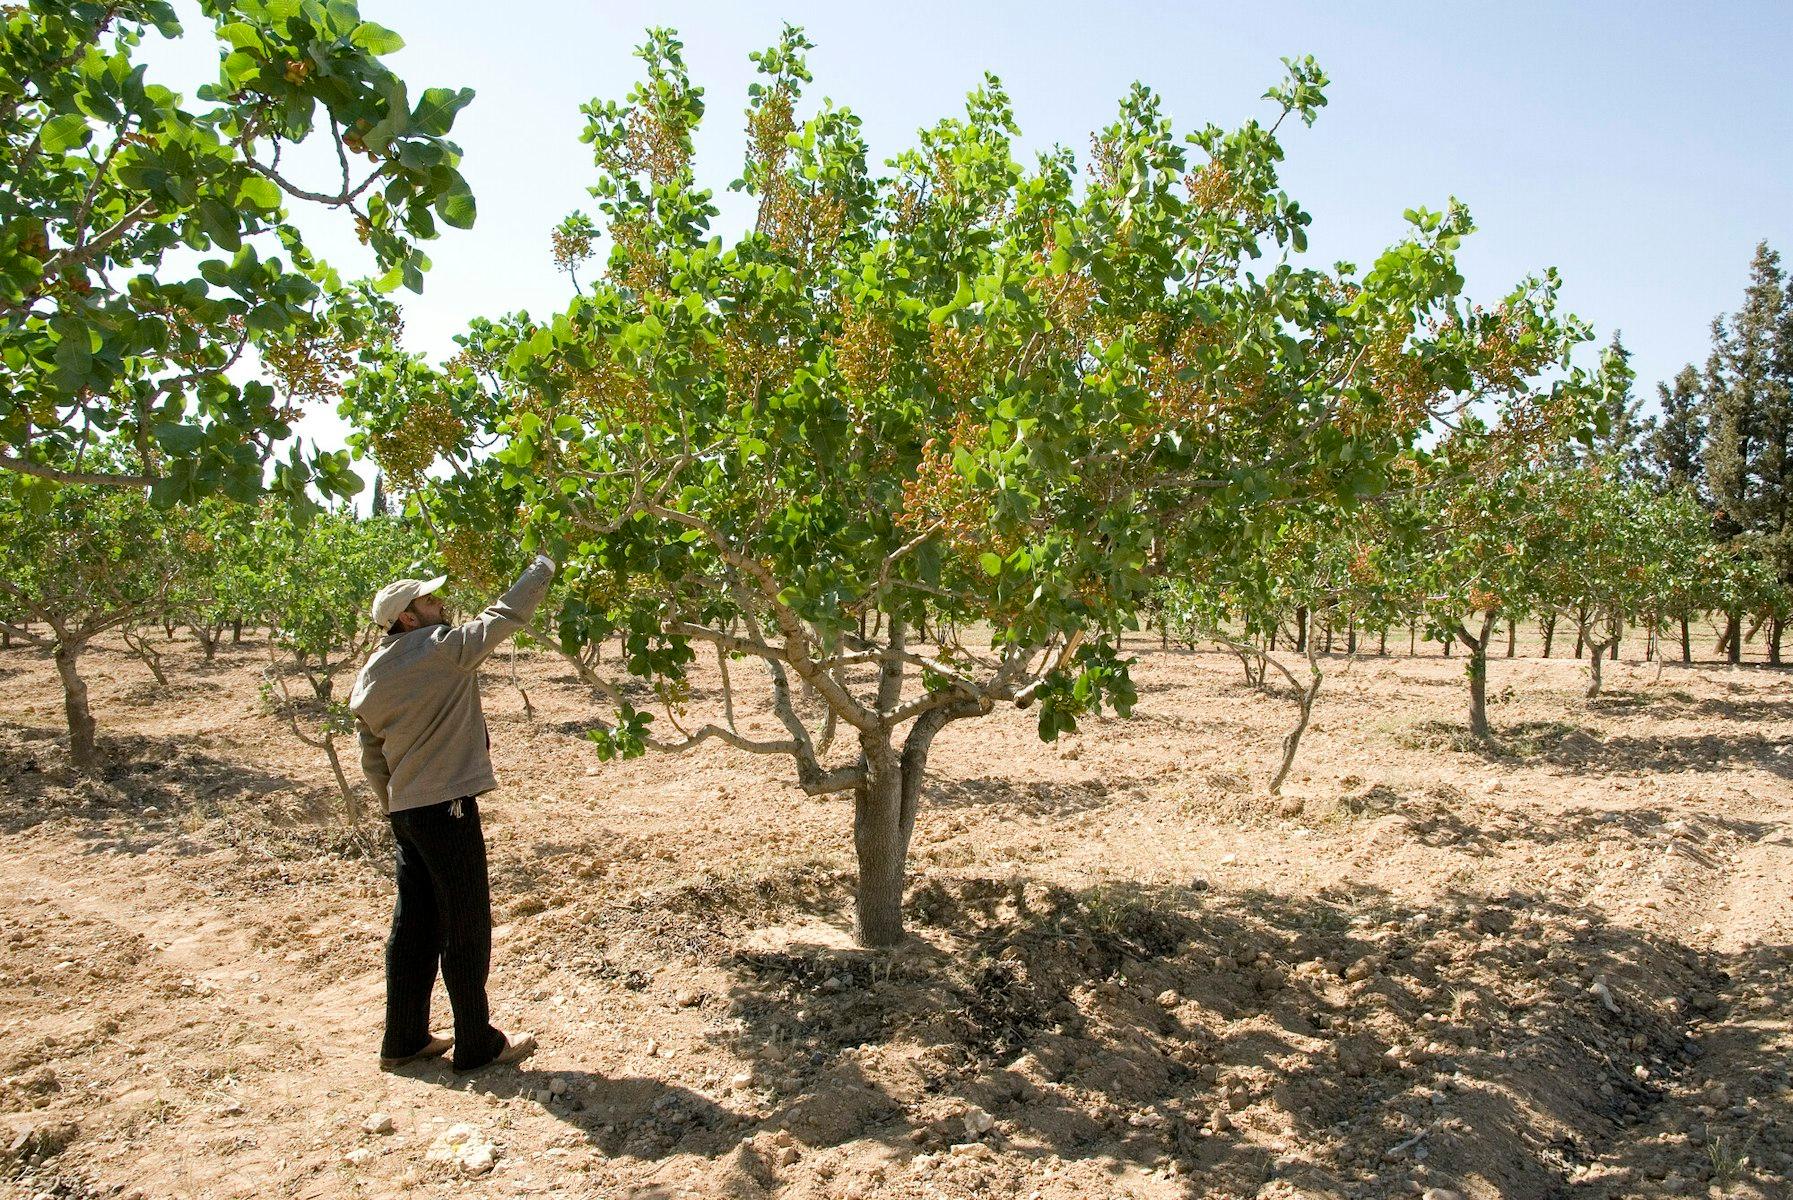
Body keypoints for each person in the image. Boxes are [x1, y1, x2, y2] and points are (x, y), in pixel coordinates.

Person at [351, 554, 556, 1074]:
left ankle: (403, 1038)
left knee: (414, 922)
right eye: (429, 600)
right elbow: (504, 616)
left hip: (407, 812)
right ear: (409, 618)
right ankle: (476, 1043)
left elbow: (371, 757)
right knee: (465, 922)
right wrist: (543, 567)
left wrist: (396, 804)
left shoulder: (370, 675)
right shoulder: (441, 650)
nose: (441, 604)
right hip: (448, 809)